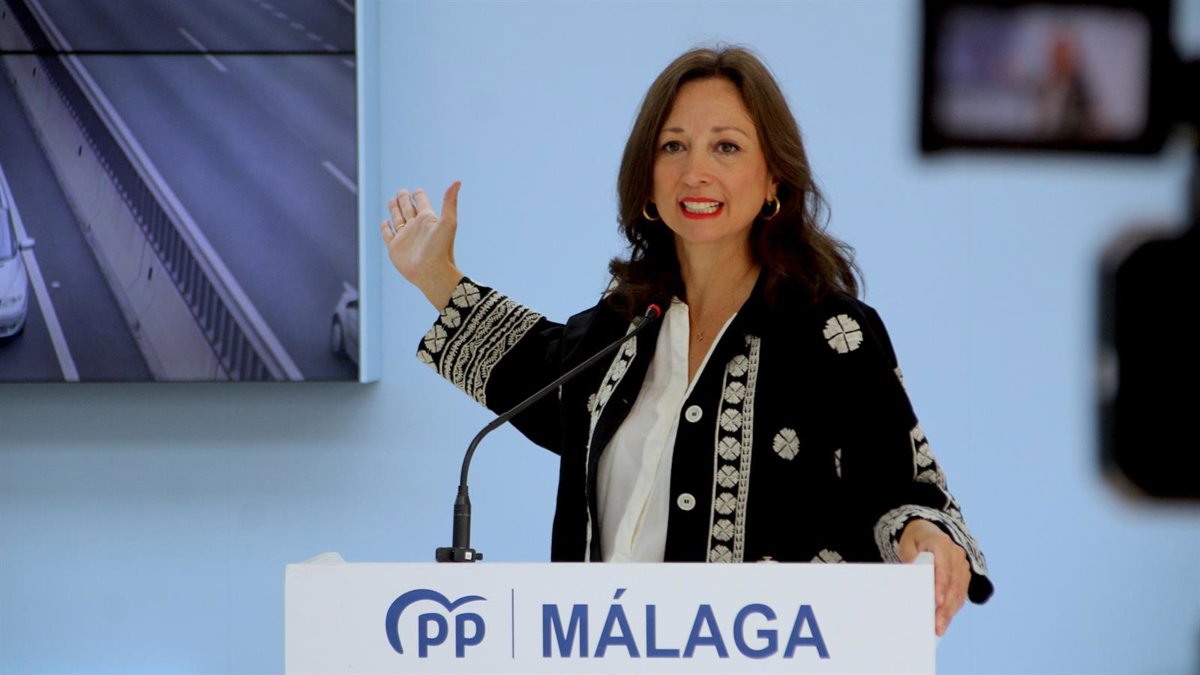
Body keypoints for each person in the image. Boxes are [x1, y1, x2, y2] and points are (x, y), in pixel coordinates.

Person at [383, 46, 993, 636]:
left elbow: (905, 491)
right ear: (648, 181)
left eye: (726, 146)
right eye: (673, 146)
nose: (695, 171)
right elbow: (536, 373)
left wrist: (927, 538)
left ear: (773, 179)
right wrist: (436, 276)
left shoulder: (831, 333)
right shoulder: (624, 327)